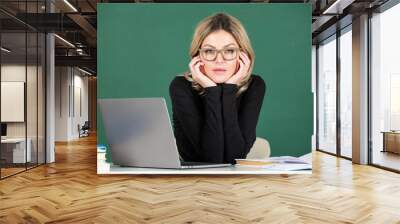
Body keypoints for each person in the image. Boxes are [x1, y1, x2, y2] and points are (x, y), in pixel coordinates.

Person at [169, 12, 265, 164]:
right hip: (191, 179)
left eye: (229, 51)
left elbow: (234, 158)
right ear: (197, 55)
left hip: (234, 183)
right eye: (209, 51)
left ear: (242, 54)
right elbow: (211, 159)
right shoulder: (181, 86)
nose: (219, 60)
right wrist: (211, 90)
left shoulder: (254, 85)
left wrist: (229, 89)